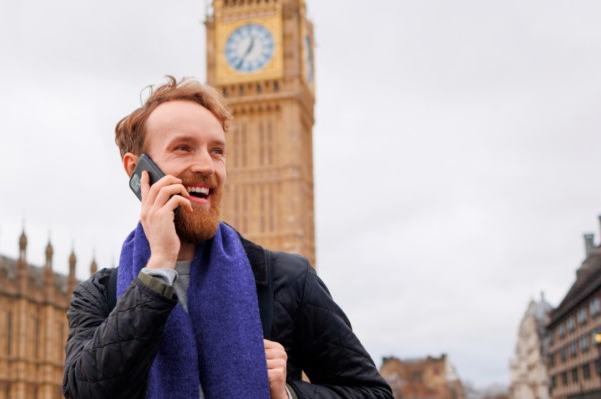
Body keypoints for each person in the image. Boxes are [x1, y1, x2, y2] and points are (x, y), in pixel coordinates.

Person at [62, 76, 393, 399]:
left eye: (217, 151)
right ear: (137, 169)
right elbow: (86, 391)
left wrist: (289, 394)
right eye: (184, 148)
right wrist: (159, 268)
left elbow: (373, 392)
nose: (207, 165)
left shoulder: (287, 280)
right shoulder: (99, 295)